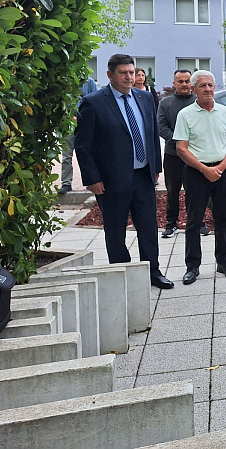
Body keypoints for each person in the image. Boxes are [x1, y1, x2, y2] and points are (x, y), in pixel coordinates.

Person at [74, 54, 173, 290]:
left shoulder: (146, 97)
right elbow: (83, 145)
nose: (129, 77)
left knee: (148, 227)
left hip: (143, 176)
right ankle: (121, 272)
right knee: (115, 229)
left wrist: (155, 168)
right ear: (110, 75)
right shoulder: (94, 102)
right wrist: (92, 178)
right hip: (110, 179)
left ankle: (153, 271)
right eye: (123, 73)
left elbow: (151, 134)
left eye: (131, 72)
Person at [173, 70, 226, 285]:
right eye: (202, 86)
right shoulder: (185, 114)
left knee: (223, 219)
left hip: (222, 171)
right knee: (194, 221)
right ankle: (192, 266)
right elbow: (181, 148)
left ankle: (224, 261)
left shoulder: (224, 112)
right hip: (195, 173)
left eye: (211, 85)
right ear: (193, 89)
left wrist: (220, 167)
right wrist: (204, 169)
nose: (208, 89)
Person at [156, 69, 201, 238]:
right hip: (173, 155)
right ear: (174, 83)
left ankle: (198, 222)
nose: (184, 84)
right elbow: (161, 127)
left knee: (196, 191)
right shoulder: (165, 103)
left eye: (187, 81)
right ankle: (171, 223)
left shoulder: (199, 101)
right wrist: (180, 141)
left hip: (196, 155)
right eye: (180, 81)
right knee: (172, 191)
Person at [58, 76, 97, 195]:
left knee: (87, 154)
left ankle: (90, 181)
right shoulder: (65, 81)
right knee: (66, 155)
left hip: (85, 125)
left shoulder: (89, 82)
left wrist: (83, 119)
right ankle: (66, 183)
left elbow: (95, 102)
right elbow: (60, 102)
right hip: (68, 124)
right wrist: (69, 116)